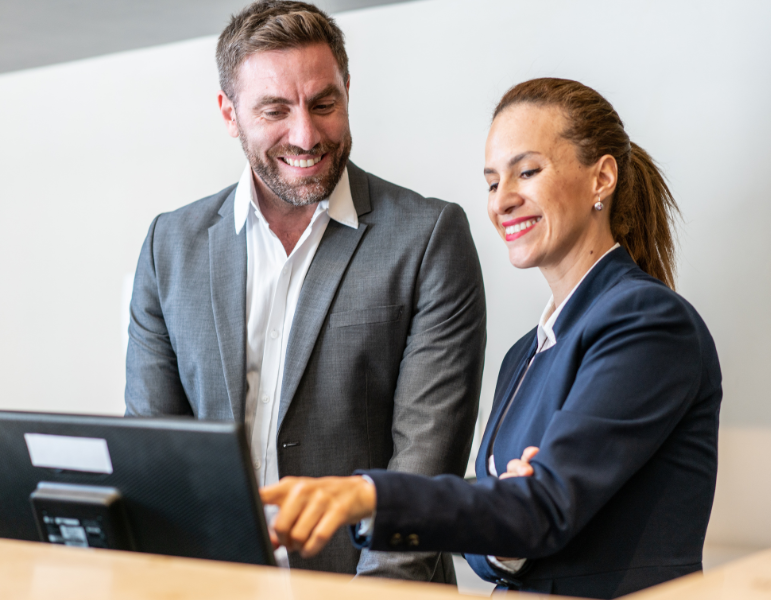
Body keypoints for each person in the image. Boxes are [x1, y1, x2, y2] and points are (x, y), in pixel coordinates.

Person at [260, 78, 722, 599]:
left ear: (602, 179)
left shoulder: (648, 323)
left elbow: (543, 509)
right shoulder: (522, 356)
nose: (503, 200)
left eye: (527, 171)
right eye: (491, 182)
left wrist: (371, 496)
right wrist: (510, 524)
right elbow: (490, 550)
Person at [124, 0, 485, 583]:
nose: (306, 134)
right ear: (229, 113)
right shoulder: (171, 246)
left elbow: (424, 461)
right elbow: (154, 455)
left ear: (348, 92)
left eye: (325, 104)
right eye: (274, 110)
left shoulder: (427, 238)